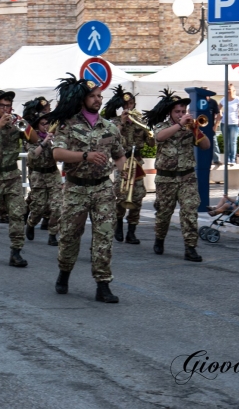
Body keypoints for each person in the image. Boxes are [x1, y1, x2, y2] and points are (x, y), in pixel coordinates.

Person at [50, 74, 126, 303]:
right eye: (93, 96)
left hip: (102, 188)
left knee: (103, 237)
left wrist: (120, 176)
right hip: (76, 188)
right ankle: (64, 272)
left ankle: (103, 285)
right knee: (70, 236)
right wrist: (85, 155)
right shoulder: (68, 125)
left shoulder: (110, 128)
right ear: (83, 99)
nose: (98, 99)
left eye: (100, 96)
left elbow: (120, 156)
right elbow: (57, 153)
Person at [144, 88, 211, 262]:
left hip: (187, 177)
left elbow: (206, 146)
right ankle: (159, 238)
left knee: (189, 211)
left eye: (183, 111)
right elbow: (159, 137)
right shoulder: (162, 126)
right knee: (164, 214)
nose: (181, 114)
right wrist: (180, 124)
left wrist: (196, 129)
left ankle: (190, 248)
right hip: (166, 178)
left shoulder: (191, 127)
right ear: (170, 113)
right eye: (177, 112)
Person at [0, 88, 39, 267]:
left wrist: (25, 125)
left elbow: (34, 140)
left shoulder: (15, 123)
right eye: (2, 106)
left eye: (8, 106)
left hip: (12, 175)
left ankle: (16, 252)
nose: (6, 109)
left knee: (17, 214)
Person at [103, 84, 154, 245]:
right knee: (120, 195)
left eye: (130, 104)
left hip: (136, 162)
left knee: (138, 197)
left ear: (134, 105)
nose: (128, 107)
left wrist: (148, 131)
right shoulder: (114, 122)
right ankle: (118, 225)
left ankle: (132, 231)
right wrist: (122, 123)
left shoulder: (140, 121)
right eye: (125, 105)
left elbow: (152, 144)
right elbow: (110, 139)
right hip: (121, 162)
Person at [23, 110, 61, 246]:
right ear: (37, 125)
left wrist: (55, 141)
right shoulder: (32, 138)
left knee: (57, 206)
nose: (46, 126)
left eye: (48, 123)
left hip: (52, 174)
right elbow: (32, 156)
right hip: (38, 175)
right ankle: (31, 223)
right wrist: (44, 142)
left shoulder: (55, 136)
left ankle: (52, 234)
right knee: (39, 207)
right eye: (43, 123)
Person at [219, 83, 239, 165]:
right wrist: (220, 114)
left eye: (230, 89)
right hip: (224, 123)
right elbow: (218, 108)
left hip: (234, 123)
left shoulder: (238, 99)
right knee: (226, 142)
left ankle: (232, 159)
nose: (228, 91)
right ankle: (227, 159)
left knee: (233, 142)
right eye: (227, 89)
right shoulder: (223, 99)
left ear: (234, 90)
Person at [206, 92, 222, 169]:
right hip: (200, 127)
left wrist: (216, 125)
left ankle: (216, 160)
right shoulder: (197, 101)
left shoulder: (213, 102)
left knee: (214, 142)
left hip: (211, 127)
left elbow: (219, 114)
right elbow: (190, 111)